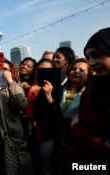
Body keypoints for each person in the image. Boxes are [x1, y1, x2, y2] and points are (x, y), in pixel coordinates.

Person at [61, 27, 110, 175]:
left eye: (97, 55)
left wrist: (76, 129)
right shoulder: (92, 88)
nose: (92, 62)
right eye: (88, 57)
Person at [24, 58, 61, 175]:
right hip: (27, 130)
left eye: (47, 69)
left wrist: (49, 96)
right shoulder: (28, 83)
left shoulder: (54, 87)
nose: (42, 71)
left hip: (45, 132)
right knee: (30, 164)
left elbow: (55, 111)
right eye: (40, 68)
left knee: (45, 167)